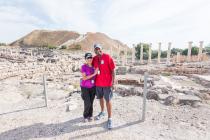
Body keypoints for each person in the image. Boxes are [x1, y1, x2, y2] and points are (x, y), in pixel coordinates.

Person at [92, 44, 115, 129]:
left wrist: (113, 82)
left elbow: (113, 70)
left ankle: (109, 119)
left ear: (102, 49)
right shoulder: (94, 59)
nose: (97, 50)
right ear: (94, 50)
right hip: (98, 84)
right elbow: (89, 65)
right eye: (96, 49)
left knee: (108, 100)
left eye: (99, 48)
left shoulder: (107, 57)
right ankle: (102, 112)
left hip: (107, 84)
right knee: (100, 99)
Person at [80, 53, 97, 122]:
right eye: (88, 58)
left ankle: (90, 115)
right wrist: (94, 74)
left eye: (91, 58)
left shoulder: (94, 66)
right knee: (87, 102)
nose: (90, 59)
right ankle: (85, 116)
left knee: (91, 102)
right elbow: (84, 78)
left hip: (93, 87)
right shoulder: (83, 66)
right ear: (85, 59)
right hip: (85, 87)